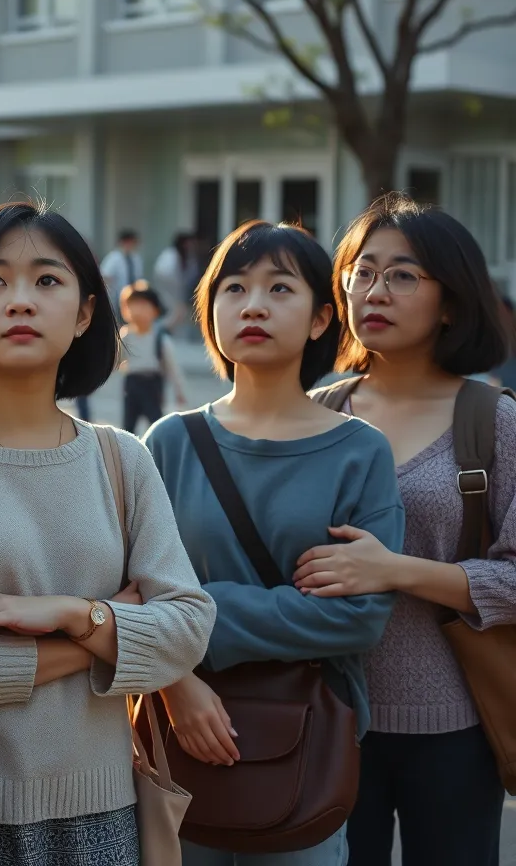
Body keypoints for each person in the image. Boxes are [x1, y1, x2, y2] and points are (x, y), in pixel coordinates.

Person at [0, 201, 216, 866]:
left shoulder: (120, 458)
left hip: (101, 814)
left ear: (87, 312)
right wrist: (108, 632)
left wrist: (73, 613)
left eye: (46, 280)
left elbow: (187, 626)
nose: (20, 301)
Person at [145, 220, 406, 866]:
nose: (253, 304)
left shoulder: (360, 452)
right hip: (179, 731)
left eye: (279, 288)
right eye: (233, 288)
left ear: (322, 319)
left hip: (310, 739)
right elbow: (129, 598)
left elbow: (357, 617)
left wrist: (195, 611)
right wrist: (179, 684)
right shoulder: (167, 443)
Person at [296, 194, 516, 866]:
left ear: (450, 301)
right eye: (361, 272)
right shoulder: (312, 415)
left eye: (402, 275)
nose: (374, 291)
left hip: (457, 727)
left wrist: (395, 571)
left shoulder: (494, 421)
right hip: (323, 717)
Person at [120, 281, 188, 434]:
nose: (138, 310)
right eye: (132, 305)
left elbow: (172, 366)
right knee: (127, 427)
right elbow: (116, 360)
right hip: (131, 384)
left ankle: (156, 454)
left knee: (156, 425)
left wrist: (179, 391)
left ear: (155, 311)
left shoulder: (160, 338)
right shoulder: (126, 335)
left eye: (143, 306)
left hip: (152, 384)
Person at [100, 228, 144, 318]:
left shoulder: (136, 258)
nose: (130, 245)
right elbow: (105, 276)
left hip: (133, 296)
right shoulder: (113, 258)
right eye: (128, 242)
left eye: (132, 242)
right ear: (122, 242)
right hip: (117, 298)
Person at [153, 232, 187, 331]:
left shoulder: (175, 255)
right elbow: (165, 274)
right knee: (177, 312)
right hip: (169, 289)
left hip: (172, 290)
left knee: (178, 312)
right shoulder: (171, 255)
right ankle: (161, 329)